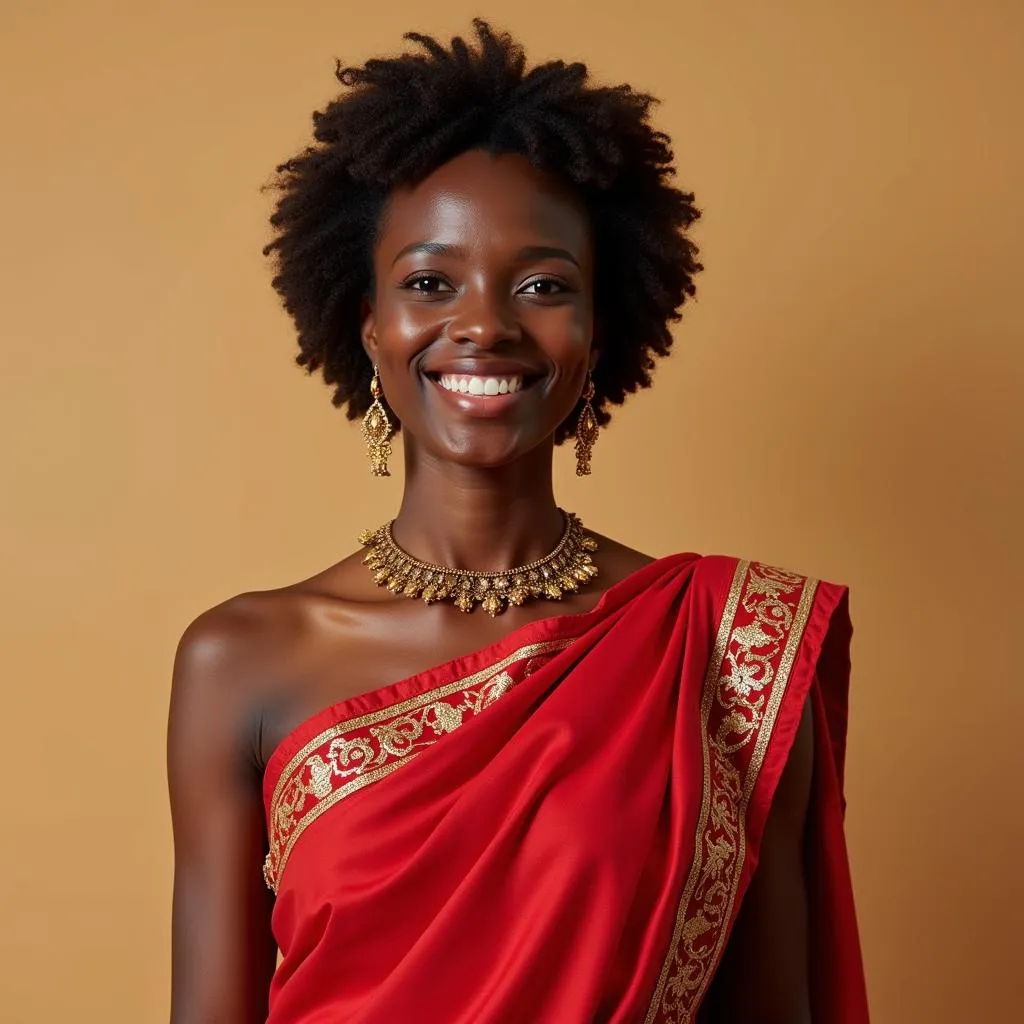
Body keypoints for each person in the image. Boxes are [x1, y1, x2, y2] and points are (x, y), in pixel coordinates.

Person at [167, 20, 869, 1024]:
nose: (485, 322)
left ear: (596, 332)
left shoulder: (725, 643)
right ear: (371, 328)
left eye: (542, 286)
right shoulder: (240, 658)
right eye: (428, 282)